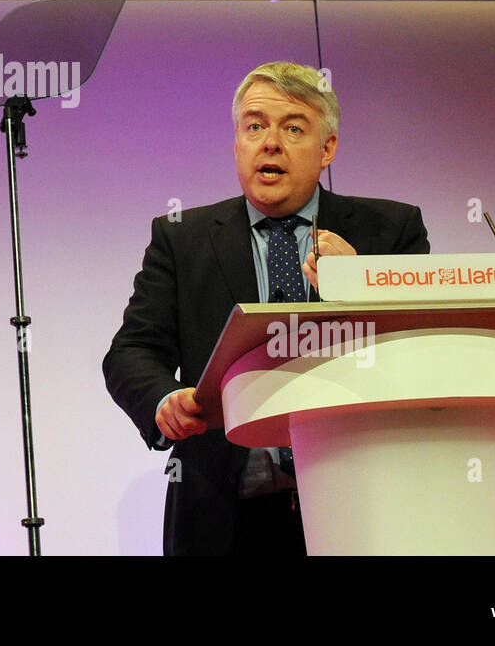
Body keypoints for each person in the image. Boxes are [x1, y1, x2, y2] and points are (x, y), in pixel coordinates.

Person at [102, 61, 429, 555]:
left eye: (293, 128)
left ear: (328, 149)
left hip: (363, 505)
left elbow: (423, 350)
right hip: (226, 517)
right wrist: (164, 400)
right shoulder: (181, 238)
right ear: (237, 144)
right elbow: (131, 352)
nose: (269, 143)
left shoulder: (391, 230)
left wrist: (363, 281)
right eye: (254, 127)